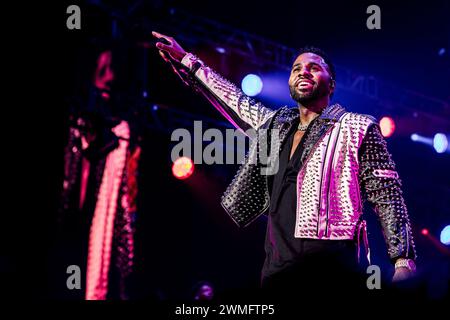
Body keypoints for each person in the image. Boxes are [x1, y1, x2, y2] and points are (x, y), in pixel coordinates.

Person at [151, 31, 417, 298]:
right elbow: (234, 100)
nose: (304, 72)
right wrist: (187, 60)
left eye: (314, 68)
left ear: (331, 84)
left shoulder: (358, 126)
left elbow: (387, 194)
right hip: (278, 266)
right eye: (297, 69)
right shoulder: (275, 125)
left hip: (334, 264)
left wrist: (403, 260)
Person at [57, 47, 141, 300]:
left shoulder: (124, 128)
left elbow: (129, 182)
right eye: (103, 69)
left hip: (104, 217)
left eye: (113, 69)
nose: (109, 77)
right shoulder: (77, 120)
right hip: (74, 214)